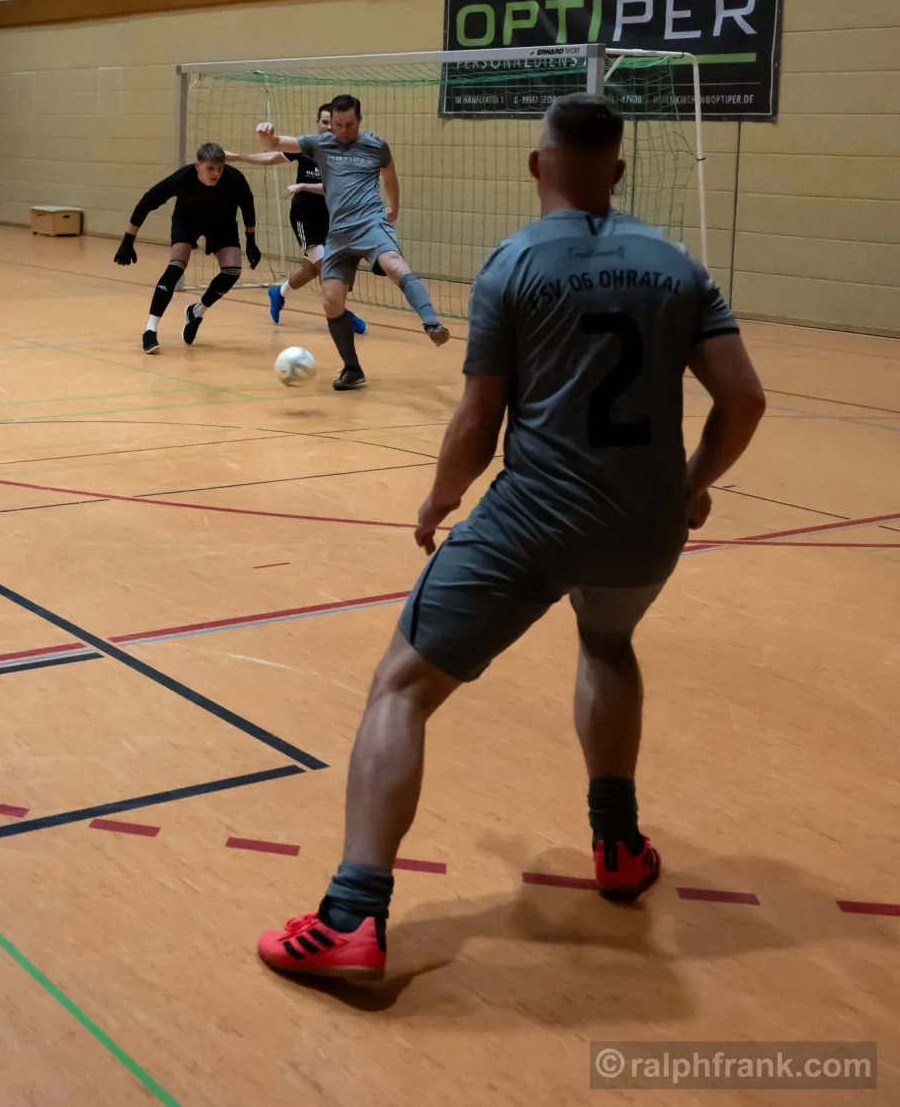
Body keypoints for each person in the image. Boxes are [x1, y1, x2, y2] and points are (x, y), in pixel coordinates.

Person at [255, 93, 767, 981]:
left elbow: (476, 422)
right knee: (607, 643)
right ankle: (618, 846)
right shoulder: (679, 265)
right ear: (617, 169)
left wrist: (437, 502)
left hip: (533, 520)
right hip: (645, 525)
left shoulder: (515, 263)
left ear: (538, 164)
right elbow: (746, 398)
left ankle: (351, 914)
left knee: (400, 688)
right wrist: (692, 485)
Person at [255, 95, 449, 390]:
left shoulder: (376, 146)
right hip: (339, 235)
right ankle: (353, 369)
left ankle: (432, 323)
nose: (344, 130)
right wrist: (268, 136)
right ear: (330, 122)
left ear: (359, 119)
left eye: (350, 124)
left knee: (394, 265)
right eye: (338, 124)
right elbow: (277, 144)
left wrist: (394, 208)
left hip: (371, 223)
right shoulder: (320, 144)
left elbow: (390, 178)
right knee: (331, 302)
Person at [113, 142, 269, 353]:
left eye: (220, 168)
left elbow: (248, 207)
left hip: (222, 223)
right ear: (198, 166)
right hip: (187, 221)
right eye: (210, 168)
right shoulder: (183, 177)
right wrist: (128, 240)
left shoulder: (234, 178)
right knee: (176, 267)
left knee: (232, 271)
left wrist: (251, 241)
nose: (216, 174)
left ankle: (197, 312)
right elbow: (148, 201)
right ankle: (150, 329)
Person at [267, 102, 365, 335]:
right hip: (304, 217)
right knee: (329, 270)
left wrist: (304, 185)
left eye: (333, 123)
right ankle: (343, 315)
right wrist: (240, 157)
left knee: (310, 271)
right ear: (317, 123)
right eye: (324, 122)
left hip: (329, 218)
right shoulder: (305, 146)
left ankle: (278, 292)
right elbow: (271, 156)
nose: (328, 127)